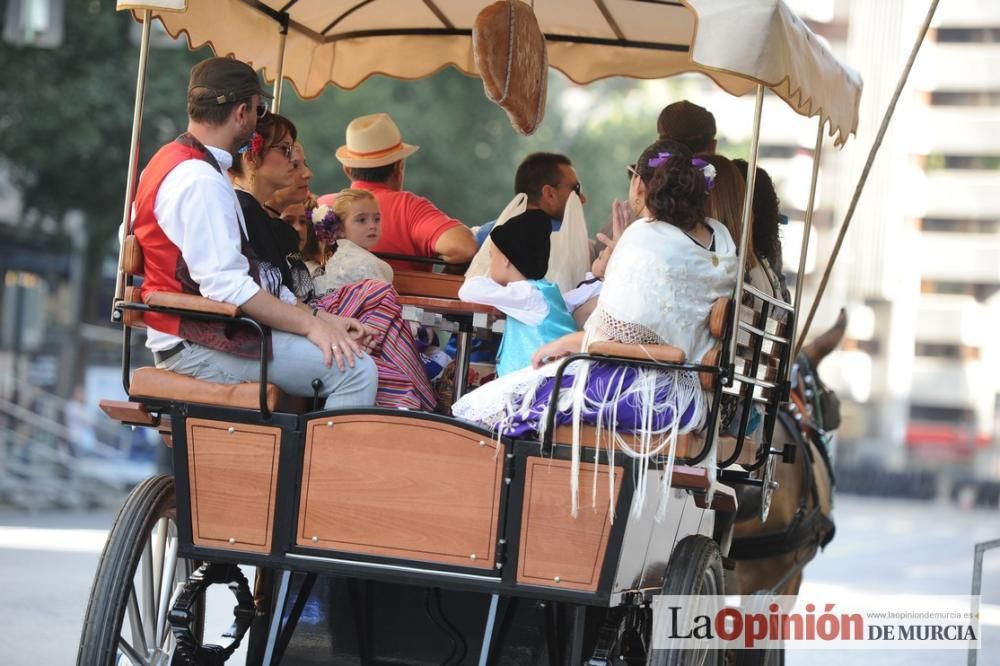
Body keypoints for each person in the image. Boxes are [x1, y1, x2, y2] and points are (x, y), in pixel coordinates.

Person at [452, 141, 737, 461]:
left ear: (639, 184)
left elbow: (608, 338)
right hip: (694, 396)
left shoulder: (646, 237)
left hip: (648, 393)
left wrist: (565, 344)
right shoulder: (719, 242)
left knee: (483, 407)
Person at [131, 56, 377, 409]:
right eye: (259, 111)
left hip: (202, 334)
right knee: (356, 369)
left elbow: (254, 279)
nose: (258, 120)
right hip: (199, 347)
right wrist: (312, 328)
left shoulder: (168, 160)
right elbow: (229, 287)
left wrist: (324, 321)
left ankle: (306, 457)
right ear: (242, 112)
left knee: (341, 350)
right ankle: (318, 466)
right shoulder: (201, 180)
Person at [232, 116, 435, 412]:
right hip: (257, 334)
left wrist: (331, 324)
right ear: (252, 158)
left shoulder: (261, 217)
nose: (300, 169)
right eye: (286, 152)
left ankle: (406, 397)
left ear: (349, 169)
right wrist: (321, 325)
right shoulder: (246, 213)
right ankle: (400, 404)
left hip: (282, 321)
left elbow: (286, 294)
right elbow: (270, 295)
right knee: (359, 367)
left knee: (376, 300)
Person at [320, 113, 476, 271]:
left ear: (347, 170)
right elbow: (463, 247)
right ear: (398, 167)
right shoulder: (408, 208)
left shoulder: (321, 207)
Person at [458, 209, 577, 376]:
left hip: (538, 383)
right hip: (552, 378)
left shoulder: (525, 295)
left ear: (506, 259)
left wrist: (493, 282)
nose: (490, 263)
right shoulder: (543, 289)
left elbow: (468, 290)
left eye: (492, 256)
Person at [473, 152, 588, 246]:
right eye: (576, 189)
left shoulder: (482, 235)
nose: (583, 199)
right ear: (549, 194)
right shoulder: (567, 240)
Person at [309, 189, 394, 295]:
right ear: (340, 229)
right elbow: (384, 303)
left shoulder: (338, 257)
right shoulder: (365, 263)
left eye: (376, 219)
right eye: (361, 220)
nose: (372, 226)